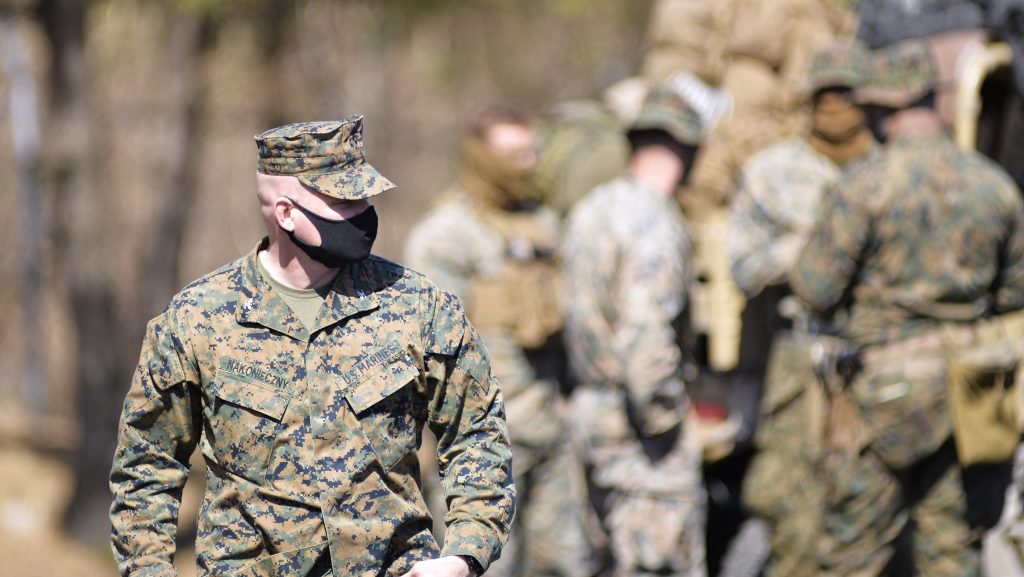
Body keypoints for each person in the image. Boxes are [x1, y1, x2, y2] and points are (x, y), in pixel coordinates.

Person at [108, 118, 515, 577]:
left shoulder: (419, 306)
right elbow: (146, 471)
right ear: (286, 213)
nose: (363, 211)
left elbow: (477, 435)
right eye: (344, 199)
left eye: (365, 195)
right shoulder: (198, 319)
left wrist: (464, 554)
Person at [790, 40, 1024, 576]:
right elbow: (1014, 292)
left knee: (854, 554)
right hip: (969, 394)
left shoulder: (864, 185)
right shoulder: (995, 187)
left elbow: (813, 288)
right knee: (952, 551)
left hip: (881, 398)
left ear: (880, 107)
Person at [404, 106, 592, 577]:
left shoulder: (545, 224)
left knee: (565, 564)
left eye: (531, 152)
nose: (524, 164)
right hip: (483, 445)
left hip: (551, 430)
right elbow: (427, 352)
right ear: (481, 156)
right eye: (511, 153)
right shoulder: (448, 236)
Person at [727, 40, 877, 577]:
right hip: (801, 355)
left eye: (847, 93)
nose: (835, 104)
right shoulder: (773, 170)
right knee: (791, 505)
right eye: (824, 94)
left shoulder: (891, 168)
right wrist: (809, 247)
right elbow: (742, 266)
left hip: (881, 354)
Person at [561, 83, 707, 577]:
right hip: (639, 434)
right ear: (689, 149)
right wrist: (666, 421)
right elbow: (646, 341)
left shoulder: (591, 208)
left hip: (590, 418)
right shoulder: (656, 225)